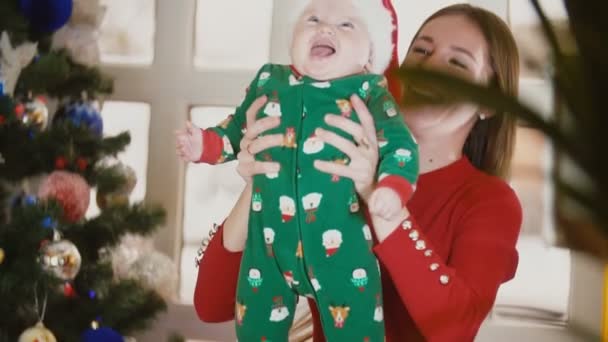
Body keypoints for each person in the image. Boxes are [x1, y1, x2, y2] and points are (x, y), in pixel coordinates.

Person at [193, 3, 522, 342]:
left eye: (458, 63)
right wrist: (264, 179)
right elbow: (211, 304)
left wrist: (378, 196)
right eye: (421, 50)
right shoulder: (333, 164)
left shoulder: (490, 203)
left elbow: (454, 329)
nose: (431, 67)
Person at [178, 0, 419, 340]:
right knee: (256, 325)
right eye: (313, 18)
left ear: (369, 57)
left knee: (356, 326)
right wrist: (205, 145)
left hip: (341, 250)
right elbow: (235, 129)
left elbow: (400, 146)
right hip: (268, 244)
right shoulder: (269, 81)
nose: (326, 28)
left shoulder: (370, 93)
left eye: (347, 25)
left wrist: (391, 187)